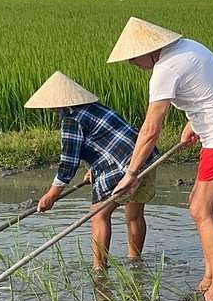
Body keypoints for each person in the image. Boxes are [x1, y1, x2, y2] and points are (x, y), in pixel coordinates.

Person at [107, 17, 213, 301]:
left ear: (148, 50)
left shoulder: (165, 69)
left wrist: (131, 172)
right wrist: (194, 123)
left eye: (132, 58)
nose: (132, 64)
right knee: (196, 203)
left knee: (203, 209)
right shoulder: (189, 48)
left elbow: (151, 129)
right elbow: (205, 91)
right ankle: (210, 276)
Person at [23, 71, 158, 270]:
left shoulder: (71, 119)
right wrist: (95, 168)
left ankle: (99, 269)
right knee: (134, 214)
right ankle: (135, 261)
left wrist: (52, 195)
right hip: (144, 157)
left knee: (98, 215)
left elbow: (68, 162)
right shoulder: (95, 107)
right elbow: (106, 139)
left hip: (123, 166)